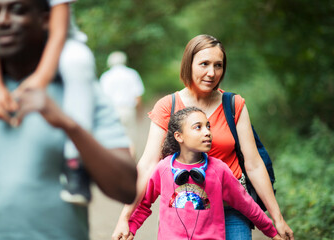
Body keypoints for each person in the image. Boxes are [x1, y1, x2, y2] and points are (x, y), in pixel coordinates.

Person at [0, 0, 137, 239]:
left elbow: (127, 189)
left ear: (43, 17)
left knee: (77, 61)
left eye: (18, 10)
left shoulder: (79, 88)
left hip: (62, 52)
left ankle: (75, 167)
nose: (3, 21)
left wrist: (67, 123)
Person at [112, 34, 294, 240]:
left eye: (218, 65)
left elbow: (254, 165)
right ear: (188, 64)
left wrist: (277, 218)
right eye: (204, 64)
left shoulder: (233, 105)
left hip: (232, 210)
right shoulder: (168, 106)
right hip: (186, 212)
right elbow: (147, 166)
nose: (211, 73)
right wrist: (125, 217)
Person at [0, 0, 95, 205]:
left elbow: (58, 31)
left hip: (59, 44)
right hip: (11, 43)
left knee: (79, 62)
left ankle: (75, 163)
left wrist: (40, 79)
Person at [127, 107, 283, 240]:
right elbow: (144, 205)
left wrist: (272, 232)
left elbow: (247, 204)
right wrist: (130, 227)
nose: (207, 132)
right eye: (198, 127)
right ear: (179, 136)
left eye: (208, 126)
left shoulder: (219, 169)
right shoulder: (163, 169)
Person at [99, 51, 145, 156]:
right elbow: (138, 96)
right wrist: (139, 112)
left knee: (113, 139)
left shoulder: (106, 76)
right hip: (128, 110)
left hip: (112, 111)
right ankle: (131, 162)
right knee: (130, 139)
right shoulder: (132, 74)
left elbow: (103, 98)